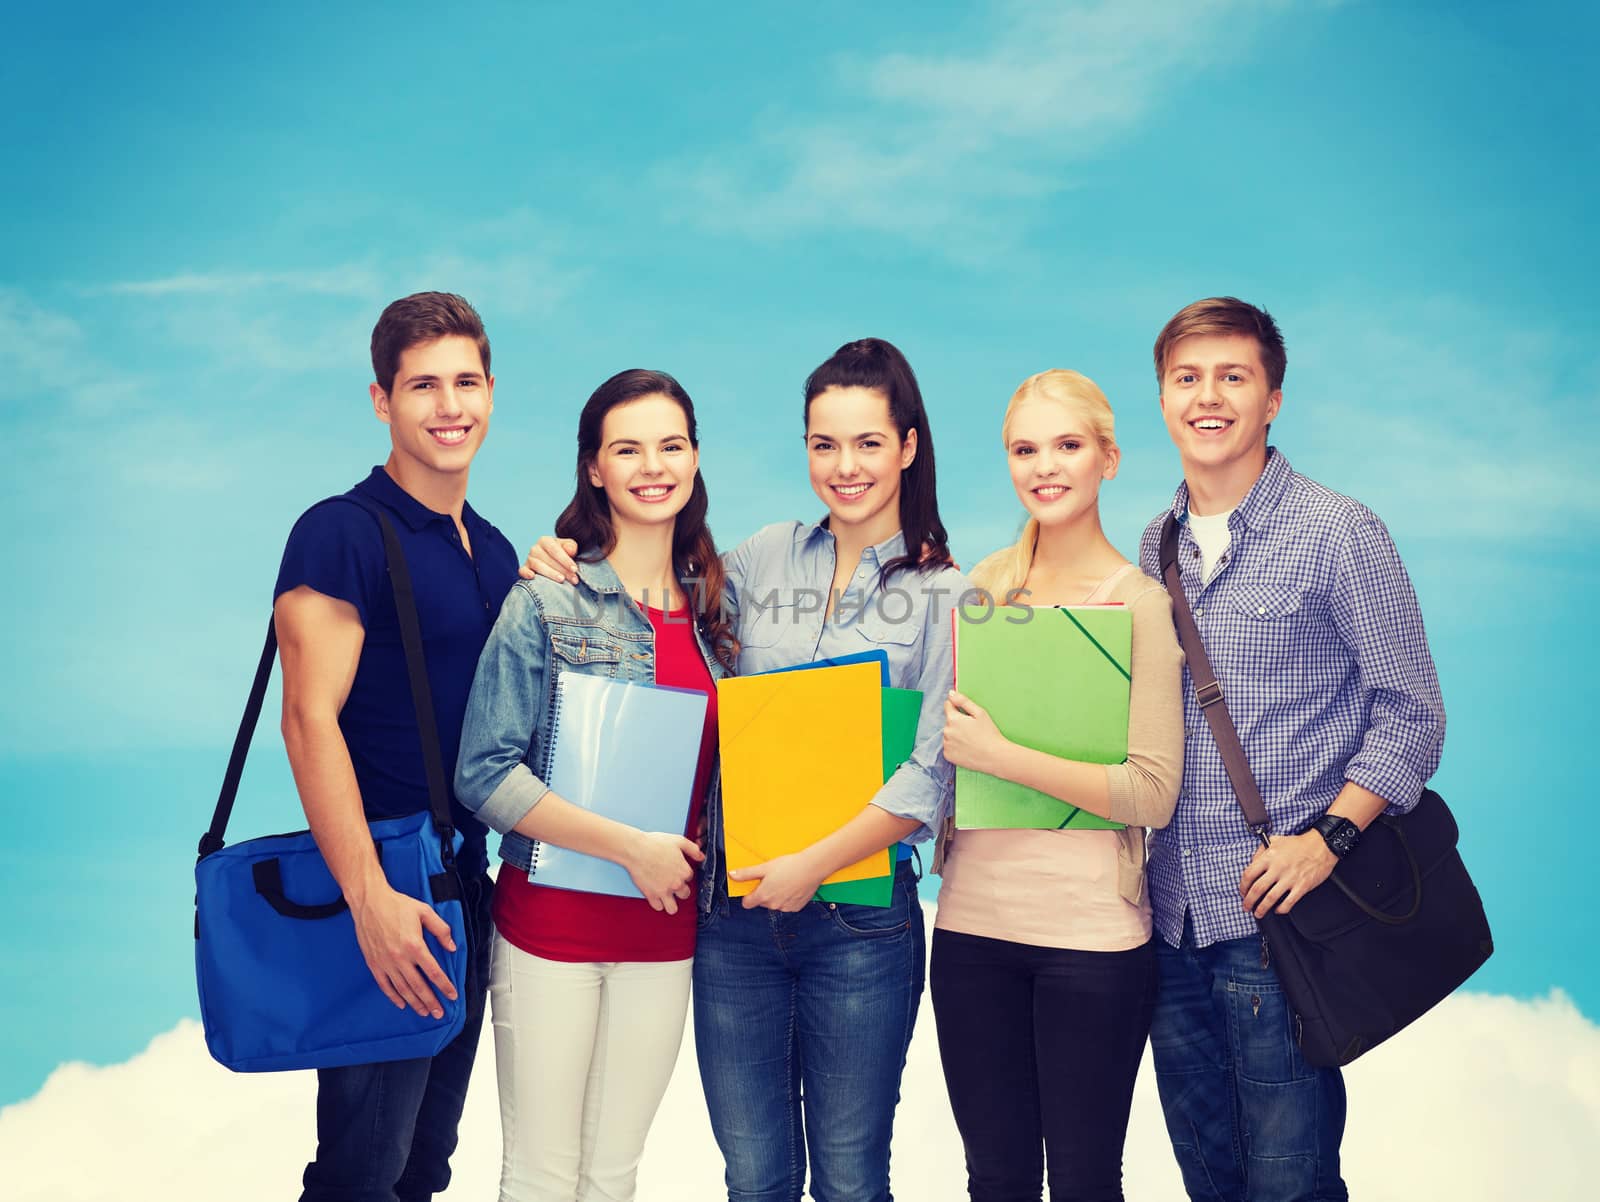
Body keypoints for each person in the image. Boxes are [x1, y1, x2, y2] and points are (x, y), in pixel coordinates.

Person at [526, 338, 970, 1202]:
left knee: (848, 1177)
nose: (845, 467)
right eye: (823, 444)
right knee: (755, 1178)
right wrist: (559, 559)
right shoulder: (763, 556)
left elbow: (932, 774)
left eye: (868, 443)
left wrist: (815, 865)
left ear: (909, 446)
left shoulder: (945, 593)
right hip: (733, 922)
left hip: (860, 926)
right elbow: (644, 601)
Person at [1137, 297, 1445, 1201]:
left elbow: (1412, 716)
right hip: (1170, 922)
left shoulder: (1340, 532)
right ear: (1162, 399)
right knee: (1210, 1182)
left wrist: (1327, 841)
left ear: (1272, 398)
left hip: (1284, 925)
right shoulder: (1153, 547)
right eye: (1188, 379)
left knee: (1292, 1184)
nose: (1209, 398)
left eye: (1233, 377)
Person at [454, 369, 733, 1202]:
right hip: (549, 932)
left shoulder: (727, 614)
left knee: (612, 1179)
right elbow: (484, 772)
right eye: (628, 448)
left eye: (671, 445)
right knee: (541, 1178)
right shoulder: (546, 598)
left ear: (694, 459)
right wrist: (629, 849)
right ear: (594, 469)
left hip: (667, 937)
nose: (653, 466)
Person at [273, 291, 521, 1202]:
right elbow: (308, 720)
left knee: (420, 1172)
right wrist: (368, 897)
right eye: (423, 386)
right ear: (382, 401)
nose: (448, 406)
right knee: (358, 1176)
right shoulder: (340, 533)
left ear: (492, 392)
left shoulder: (493, 552)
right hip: (384, 887)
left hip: (468, 891)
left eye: (465, 382)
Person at [934, 368, 1184, 1202]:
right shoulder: (983, 588)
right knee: (994, 1180)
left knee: (1083, 1182)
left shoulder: (1141, 604)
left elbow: (1151, 792)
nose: (1046, 467)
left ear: (1108, 459)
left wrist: (1000, 756)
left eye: (1068, 446)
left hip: (1093, 944)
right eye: (1025, 449)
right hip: (970, 931)